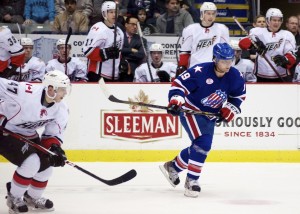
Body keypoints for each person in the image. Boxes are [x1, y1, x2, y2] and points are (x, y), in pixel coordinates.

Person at [159, 43, 246, 198]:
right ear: (215, 59)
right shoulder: (200, 71)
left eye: (230, 61)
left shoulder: (235, 76)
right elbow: (179, 85)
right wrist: (175, 101)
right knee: (203, 144)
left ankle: (173, 166)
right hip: (190, 110)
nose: (227, 65)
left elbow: (238, 97)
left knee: (199, 146)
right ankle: (192, 181)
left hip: (210, 115)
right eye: (223, 61)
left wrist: (231, 108)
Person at [0, 70, 70, 213]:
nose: (65, 93)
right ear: (51, 89)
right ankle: (14, 197)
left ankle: (32, 197)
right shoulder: (25, 92)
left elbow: (52, 134)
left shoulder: (61, 109)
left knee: (46, 165)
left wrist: (54, 148)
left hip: (28, 134)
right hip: (5, 131)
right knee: (31, 162)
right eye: (63, 90)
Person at [239, 8, 297, 82]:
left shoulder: (287, 35)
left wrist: (286, 60)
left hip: (281, 75)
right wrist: (253, 44)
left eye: (279, 20)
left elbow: (292, 54)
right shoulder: (258, 32)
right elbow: (242, 44)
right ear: (268, 20)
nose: (277, 23)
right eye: (274, 20)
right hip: (260, 75)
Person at [176, 2, 229, 76]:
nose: (211, 16)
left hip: (214, 69)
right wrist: (182, 67)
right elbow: (185, 52)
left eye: (213, 13)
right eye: (208, 13)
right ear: (202, 14)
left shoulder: (222, 29)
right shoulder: (190, 29)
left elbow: (226, 52)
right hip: (195, 69)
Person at [83, 1, 124, 82]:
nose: (114, 14)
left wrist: (122, 61)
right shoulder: (98, 28)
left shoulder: (119, 31)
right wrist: (104, 53)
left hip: (114, 76)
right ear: (104, 13)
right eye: (111, 12)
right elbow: (87, 51)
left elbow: (118, 53)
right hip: (98, 75)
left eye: (115, 12)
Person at [120, 16, 146, 82]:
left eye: (136, 25)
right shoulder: (119, 37)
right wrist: (131, 50)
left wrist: (124, 54)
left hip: (134, 71)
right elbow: (117, 51)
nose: (135, 27)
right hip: (119, 70)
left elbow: (141, 54)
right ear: (126, 25)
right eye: (133, 24)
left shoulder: (141, 40)